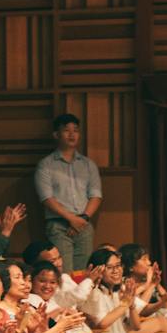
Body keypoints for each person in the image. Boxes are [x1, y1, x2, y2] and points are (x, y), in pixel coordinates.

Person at [34, 111, 100, 269]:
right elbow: (46, 198)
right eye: (66, 130)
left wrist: (82, 218)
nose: (72, 134)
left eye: (75, 130)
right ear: (56, 135)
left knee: (83, 274)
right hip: (58, 225)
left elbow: (96, 195)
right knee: (63, 274)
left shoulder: (88, 164)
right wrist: (71, 219)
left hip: (84, 223)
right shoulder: (46, 164)